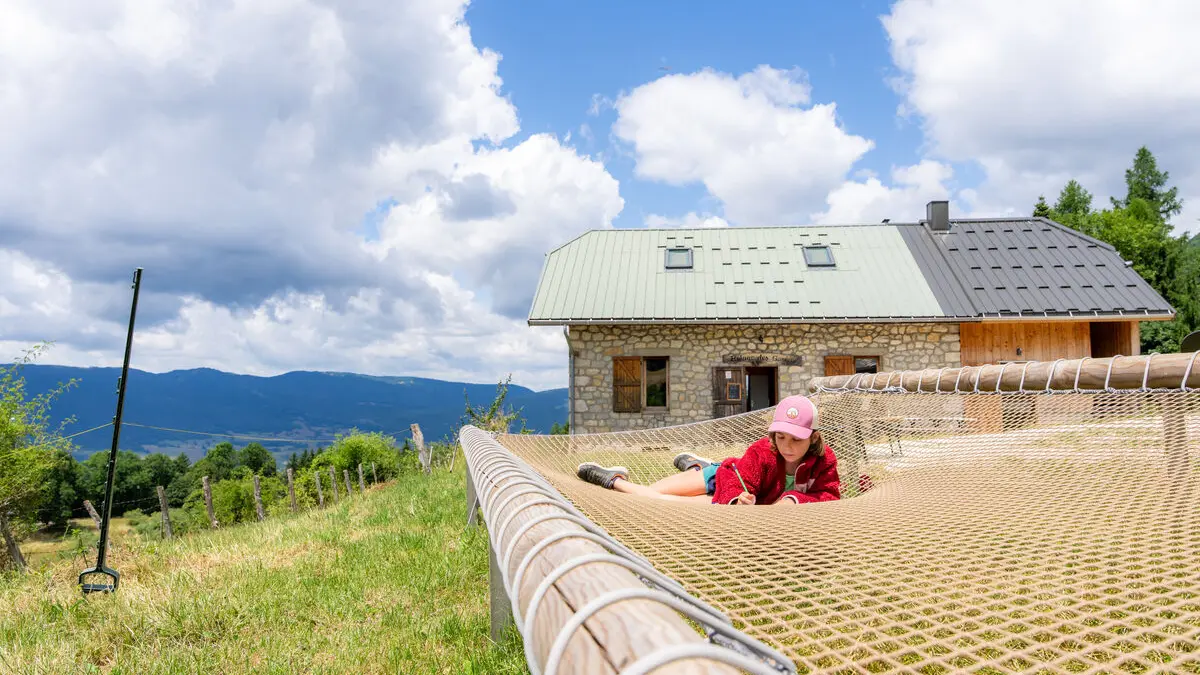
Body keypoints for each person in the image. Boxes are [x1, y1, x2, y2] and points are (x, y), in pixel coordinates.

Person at [575, 394, 841, 505]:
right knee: (654, 496)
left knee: (676, 504)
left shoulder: (824, 460)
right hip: (722, 478)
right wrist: (739, 499)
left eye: (796, 439)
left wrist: (794, 500)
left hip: (733, 493)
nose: (787, 446)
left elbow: (829, 496)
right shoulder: (762, 451)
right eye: (781, 437)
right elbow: (740, 482)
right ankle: (613, 479)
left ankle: (695, 465)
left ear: (813, 437)